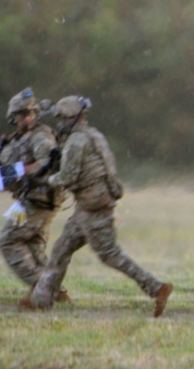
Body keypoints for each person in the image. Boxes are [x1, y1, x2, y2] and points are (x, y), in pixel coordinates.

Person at [26, 96, 172, 316]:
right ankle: (41, 300)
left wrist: (45, 180)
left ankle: (156, 288)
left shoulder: (76, 141)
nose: (60, 123)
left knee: (110, 254)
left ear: (71, 118)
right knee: (60, 250)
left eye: (63, 119)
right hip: (91, 205)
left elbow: (69, 176)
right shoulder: (95, 135)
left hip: (92, 208)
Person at [0, 88, 68, 304]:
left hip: (39, 198)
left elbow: (47, 161)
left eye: (30, 114)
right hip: (29, 199)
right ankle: (57, 291)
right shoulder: (16, 139)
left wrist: (14, 172)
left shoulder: (40, 135)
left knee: (8, 241)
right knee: (34, 247)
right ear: (13, 117)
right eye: (22, 115)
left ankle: (43, 288)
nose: (27, 118)